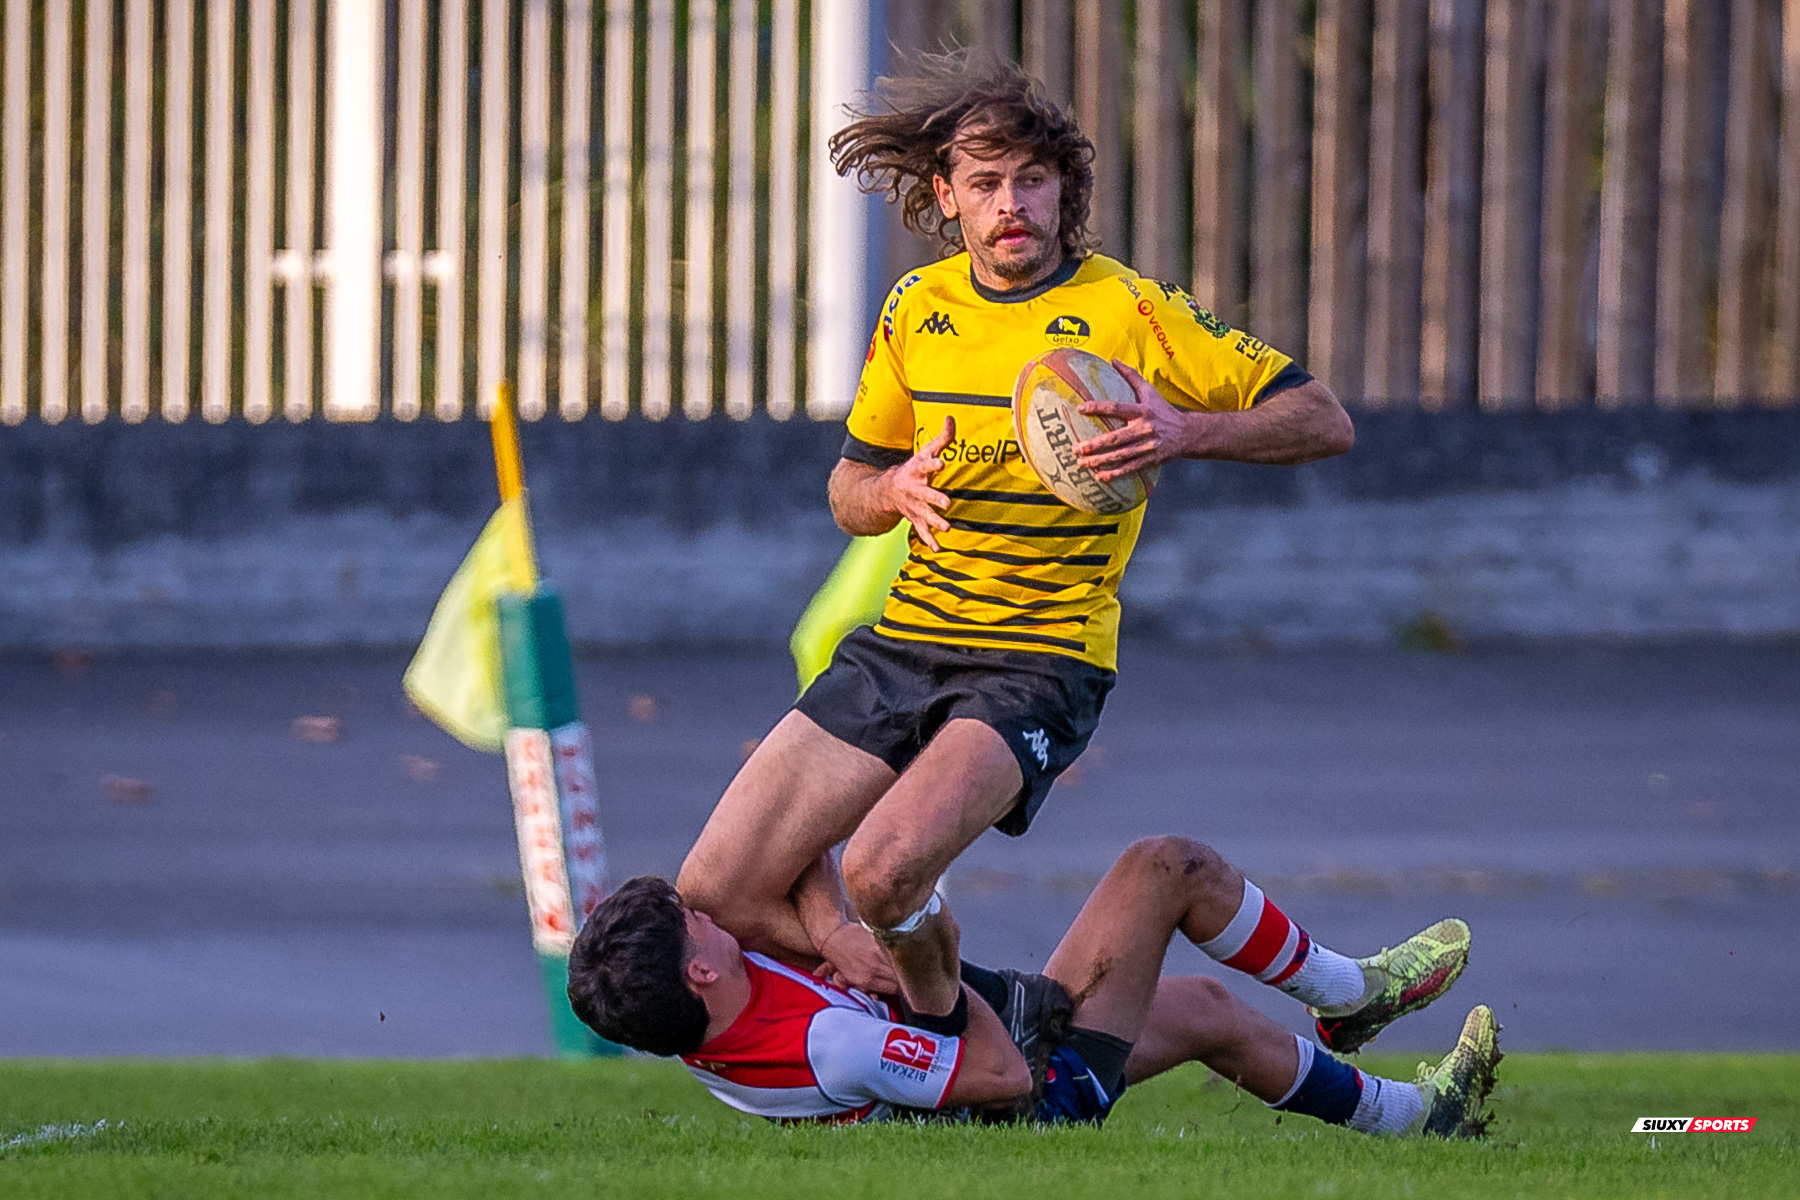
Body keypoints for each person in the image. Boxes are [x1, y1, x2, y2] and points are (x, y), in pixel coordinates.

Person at [677, 52, 1364, 1040]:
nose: (1013, 204)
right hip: (908, 639)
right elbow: (846, 492)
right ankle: (992, 1016)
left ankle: (955, 1055)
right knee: (716, 892)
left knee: (884, 868)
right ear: (946, 198)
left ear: (1064, 192)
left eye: (1033, 181)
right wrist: (892, 488)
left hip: (1039, 659)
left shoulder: (1131, 310)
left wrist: (1186, 429)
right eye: (987, 183)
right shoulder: (918, 312)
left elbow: (1323, 417)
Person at [570, 836, 1500, 1138]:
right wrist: (932, 965)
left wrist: (831, 931)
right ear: (699, 968)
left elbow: (800, 843)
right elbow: (999, 1080)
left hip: (988, 1059)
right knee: (1164, 869)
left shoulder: (711, 1002)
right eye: (694, 923)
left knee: (1210, 1013)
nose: (707, 910)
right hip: (1030, 1089)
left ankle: (1424, 1120)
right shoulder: (825, 1046)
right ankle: (1350, 993)